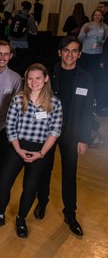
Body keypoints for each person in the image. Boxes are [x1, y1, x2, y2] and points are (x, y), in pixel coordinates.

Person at [0, 63, 62, 239]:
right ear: (26, 80)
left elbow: (54, 131)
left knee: (30, 187)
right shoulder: (18, 99)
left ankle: (21, 219)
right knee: (4, 182)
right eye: (30, 78)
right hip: (17, 146)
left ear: (46, 79)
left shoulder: (55, 103)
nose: (34, 82)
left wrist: (41, 153)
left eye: (38, 78)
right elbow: (10, 126)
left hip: (40, 149)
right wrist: (18, 150)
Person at [34, 36, 94, 236]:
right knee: (44, 170)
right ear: (59, 52)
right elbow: (37, 101)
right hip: (47, 131)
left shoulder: (86, 78)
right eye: (66, 50)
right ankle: (42, 203)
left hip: (72, 134)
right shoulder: (48, 73)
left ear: (79, 54)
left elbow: (86, 111)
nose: (70, 54)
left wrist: (84, 139)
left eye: (74, 51)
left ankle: (70, 213)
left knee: (69, 174)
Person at [0, 41, 23, 206]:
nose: (2, 57)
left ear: (10, 56)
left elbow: (18, 106)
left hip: (2, 126)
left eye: (6, 54)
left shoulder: (16, 78)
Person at [77, 9, 108, 114]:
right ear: (93, 16)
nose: (97, 16)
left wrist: (100, 44)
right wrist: (85, 33)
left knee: (94, 76)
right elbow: (79, 39)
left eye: (99, 15)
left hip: (97, 54)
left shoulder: (105, 27)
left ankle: (92, 97)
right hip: (86, 53)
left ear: (102, 17)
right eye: (95, 15)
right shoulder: (87, 25)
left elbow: (106, 40)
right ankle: (82, 94)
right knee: (84, 74)